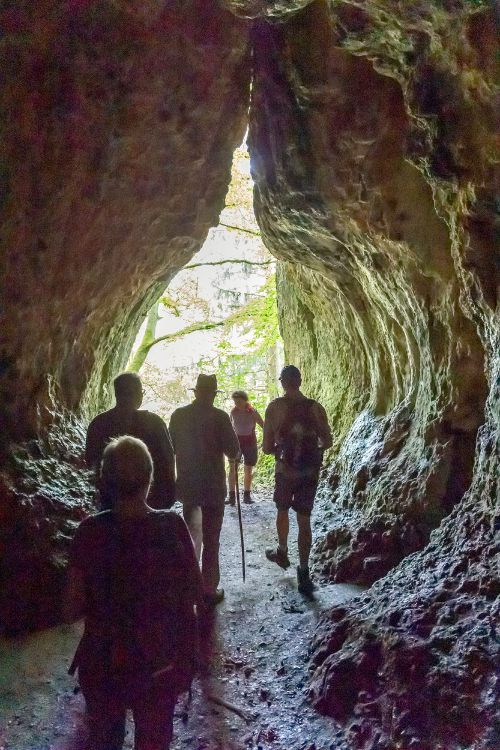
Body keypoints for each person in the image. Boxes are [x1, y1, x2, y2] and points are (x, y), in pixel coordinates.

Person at [65, 436, 202, 750]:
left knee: (105, 740)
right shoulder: (173, 526)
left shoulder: (88, 531)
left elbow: (70, 609)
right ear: (150, 478)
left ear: (104, 481)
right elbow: (195, 592)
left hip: (103, 663)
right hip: (158, 663)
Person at [169, 374, 240, 606]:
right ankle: (208, 590)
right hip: (213, 488)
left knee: (191, 538)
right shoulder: (219, 417)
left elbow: (171, 448)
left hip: (189, 486)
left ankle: (189, 587)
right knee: (211, 539)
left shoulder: (179, 416)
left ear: (196, 391)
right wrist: (237, 454)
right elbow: (233, 450)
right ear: (212, 394)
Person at [263, 365, 332, 596]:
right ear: (300, 381)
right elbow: (328, 441)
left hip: (284, 472)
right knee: (304, 520)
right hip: (309, 473)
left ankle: (282, 550)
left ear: (282, 382)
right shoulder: (316, 408)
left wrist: (281, 449)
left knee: (282, 510)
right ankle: (304, 572)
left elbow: (265, 448)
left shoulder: (274, 408)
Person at [86, 372, 175, 510]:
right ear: (137, 394)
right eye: (141, 391)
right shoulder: (154, 423)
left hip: (112, 505)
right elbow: (167, 462)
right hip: (151, 504)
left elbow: (91, 463)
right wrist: (168, 498)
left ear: (117, 394)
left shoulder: (98, 424)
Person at [227, 390, 264, 506]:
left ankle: (247, 496)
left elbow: (263, 425)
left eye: (238, 401)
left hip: (250, 442)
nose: (236, 403)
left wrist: (266, 441)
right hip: (236, 443)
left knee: (248, 469)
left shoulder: (252, 411)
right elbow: (229, 427)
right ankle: (232, 496)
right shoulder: (233, 412)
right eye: (235, 401)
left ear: (245, 400)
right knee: (233, 468)